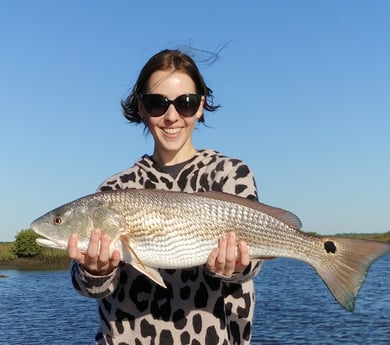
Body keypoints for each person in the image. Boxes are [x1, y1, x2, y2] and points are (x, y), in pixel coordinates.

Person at [68, 49, 263, 345]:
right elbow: (89, 288)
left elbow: (253, 264)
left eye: (185, 103)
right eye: (157, 103)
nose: (172, 116)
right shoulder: (115, 189)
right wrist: (95, 272)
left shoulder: (230, 174)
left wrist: (239, 265)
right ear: (141, 108)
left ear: (200, 106)